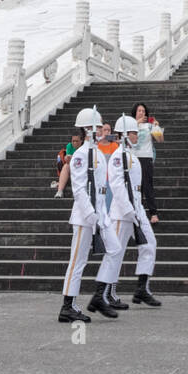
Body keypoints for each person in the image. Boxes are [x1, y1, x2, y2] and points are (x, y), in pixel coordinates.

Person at [58, 107, 124, 322]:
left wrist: (102, 217)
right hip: (84, 218)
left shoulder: (97, 153)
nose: (103, 131)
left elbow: (100, 190)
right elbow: (79, 190)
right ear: (89, 129)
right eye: (98, 127)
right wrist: (91, 216)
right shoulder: (80, 155)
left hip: (100, 216)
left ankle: (99, 295)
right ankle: (68, 306)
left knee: (114, 249)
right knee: (77, 261)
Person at [109, 116, 160, 307]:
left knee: (149, 245)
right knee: (116, 252)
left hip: (136, 210)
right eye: (133, 133)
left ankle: (141, 288)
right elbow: (118, 186)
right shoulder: (118, 156)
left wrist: (138, 212)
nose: (136, 136)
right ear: (123, 135)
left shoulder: (131, 155)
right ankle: (109, 292)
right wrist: (129, 211)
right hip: (123, 212)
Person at [132, 103, 163, 222]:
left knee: (148, 185)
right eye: (139, 111)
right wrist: (137, 123)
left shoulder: (149, 126)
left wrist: (156, 127)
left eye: (143, 111)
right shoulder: (131, 124)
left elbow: (160, 140)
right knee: (135, 186)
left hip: (146, 157)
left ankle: (153, 213)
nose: (141, 113)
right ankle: (136, 212)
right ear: (135, 112)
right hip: (133, 158)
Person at [54, 131, 83, 196]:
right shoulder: (69, 146)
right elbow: (68, 160)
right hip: (73, 167)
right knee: (66, 166)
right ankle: (59, 191)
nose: (75, 143)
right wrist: (67, 158)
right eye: (73, 141)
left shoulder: (84, 147)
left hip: (82, 168)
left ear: (81, 141)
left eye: (77, 141)